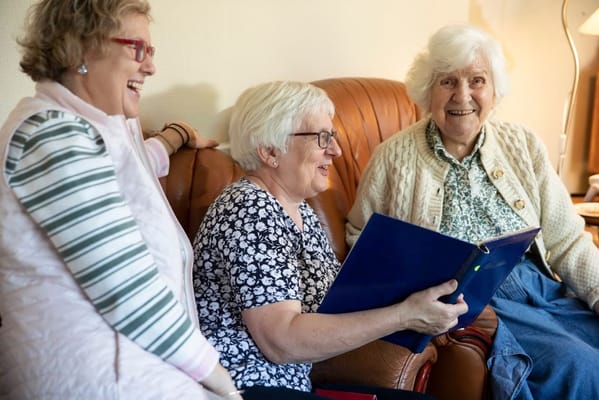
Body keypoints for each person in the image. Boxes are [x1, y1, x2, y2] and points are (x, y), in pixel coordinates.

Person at [0, 1, 240, 399]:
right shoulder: (52, 134)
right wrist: (218, 378)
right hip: (97, 375)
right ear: (80, 47)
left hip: (132, 365)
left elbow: (137, 168)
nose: (150, 67)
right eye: (138, 49)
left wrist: (177, 135)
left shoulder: (90, 129)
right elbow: (126, 286)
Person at [346, 24, 599, 400]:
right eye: (447, 81)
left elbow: (566, 239)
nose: (462, 96)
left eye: (476, 80)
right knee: (579, 364)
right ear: (426, 91)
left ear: (494, 90)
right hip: (476, 300)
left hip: (541, 287)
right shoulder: (393, 158)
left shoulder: (522, 144)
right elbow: (359, 240)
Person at [192, 80, 468, 400]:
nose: (335, 150)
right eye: (322, 137)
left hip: (291, 386)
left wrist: (424, 299)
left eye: (332, 136)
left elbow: (334, 310)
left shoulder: (301, 213)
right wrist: (404, 314)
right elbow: (281, 342)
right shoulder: (249, 210)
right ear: (269, 151)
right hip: (248, 388)